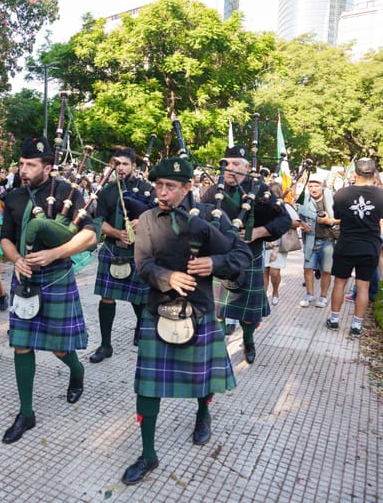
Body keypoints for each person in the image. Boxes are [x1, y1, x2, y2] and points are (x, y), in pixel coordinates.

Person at [121, 157, 248, 485]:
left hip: (200, 310)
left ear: (188, 187)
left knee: (202, 377)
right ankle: (148, 454)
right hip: (158, 309)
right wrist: (168, 277)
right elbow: (143, 264)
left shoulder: (210, 216)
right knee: (147, 388)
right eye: (158, 185)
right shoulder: (147, 219)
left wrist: (214, 263)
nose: (162, 193)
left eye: (170, 186)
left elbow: (241, 255)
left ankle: (203, 413)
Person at [0, 137, 97, 444]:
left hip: (56, 275)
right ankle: (26, 413)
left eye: (31, 165)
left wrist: (56, 253)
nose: (23, 169)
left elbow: (90, 235)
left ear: (48, 167)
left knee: (58, 347)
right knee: (21, 343)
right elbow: (5, 238)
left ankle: (76, 370)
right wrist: (16, 259)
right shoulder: (14, 196)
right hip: (24, 276)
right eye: (21, 164)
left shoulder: (69, 192)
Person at [200, 145, 292, 364]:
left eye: (235, 164)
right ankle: (218, 349)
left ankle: (248, 340)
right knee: (218, 311)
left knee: (249, 316)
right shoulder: (214, 191)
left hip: (249, 257)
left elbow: (284, 220)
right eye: (226, 163)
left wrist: (258, 232)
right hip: (221, 258)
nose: (229, 168)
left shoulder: (260, 190)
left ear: (247, 167)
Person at [89, 147, 153, 363]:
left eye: (125, 164)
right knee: (107, 297)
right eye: (117, 164)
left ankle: (141, 329)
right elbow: (99, 221)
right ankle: (105, 345)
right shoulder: (106, 191)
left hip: (138, 250)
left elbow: (158, 216)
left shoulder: (146, 189)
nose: (121, 168)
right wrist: (117, 233)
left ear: (134, 166)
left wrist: (142, 221)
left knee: (140, 297)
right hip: (112, 249)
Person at [325, 159, 383, 335]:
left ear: (355, 174)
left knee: (340, 283)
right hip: (369, 245)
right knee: (363, 286)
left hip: (347, 244)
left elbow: (338, 215)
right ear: (373, 174)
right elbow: (381, 215)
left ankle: (334, 320)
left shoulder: (342, 194)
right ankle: (356, 326)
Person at [297, 174, 339, 309]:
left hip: (328, 240)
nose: (313, 189)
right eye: (310, 186)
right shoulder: (304, 200)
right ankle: (309, 294)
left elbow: (341, 219)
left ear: (323, 186)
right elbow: (297, 217)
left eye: (316, 186)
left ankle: (323, 296)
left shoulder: (332, 200)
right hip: (310, 239)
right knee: (308, 268)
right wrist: (302, 224)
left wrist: (328, 221)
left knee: (326, 270)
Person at [263, 183, 300, 306]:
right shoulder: (263, 205)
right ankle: (263, 296)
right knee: (264, 271)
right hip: (264, 243)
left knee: (274, 272)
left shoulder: (286, 206)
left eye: (275, 193)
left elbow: (297, 223)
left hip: (279, 244)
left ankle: (275, 292)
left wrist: (282, 220)